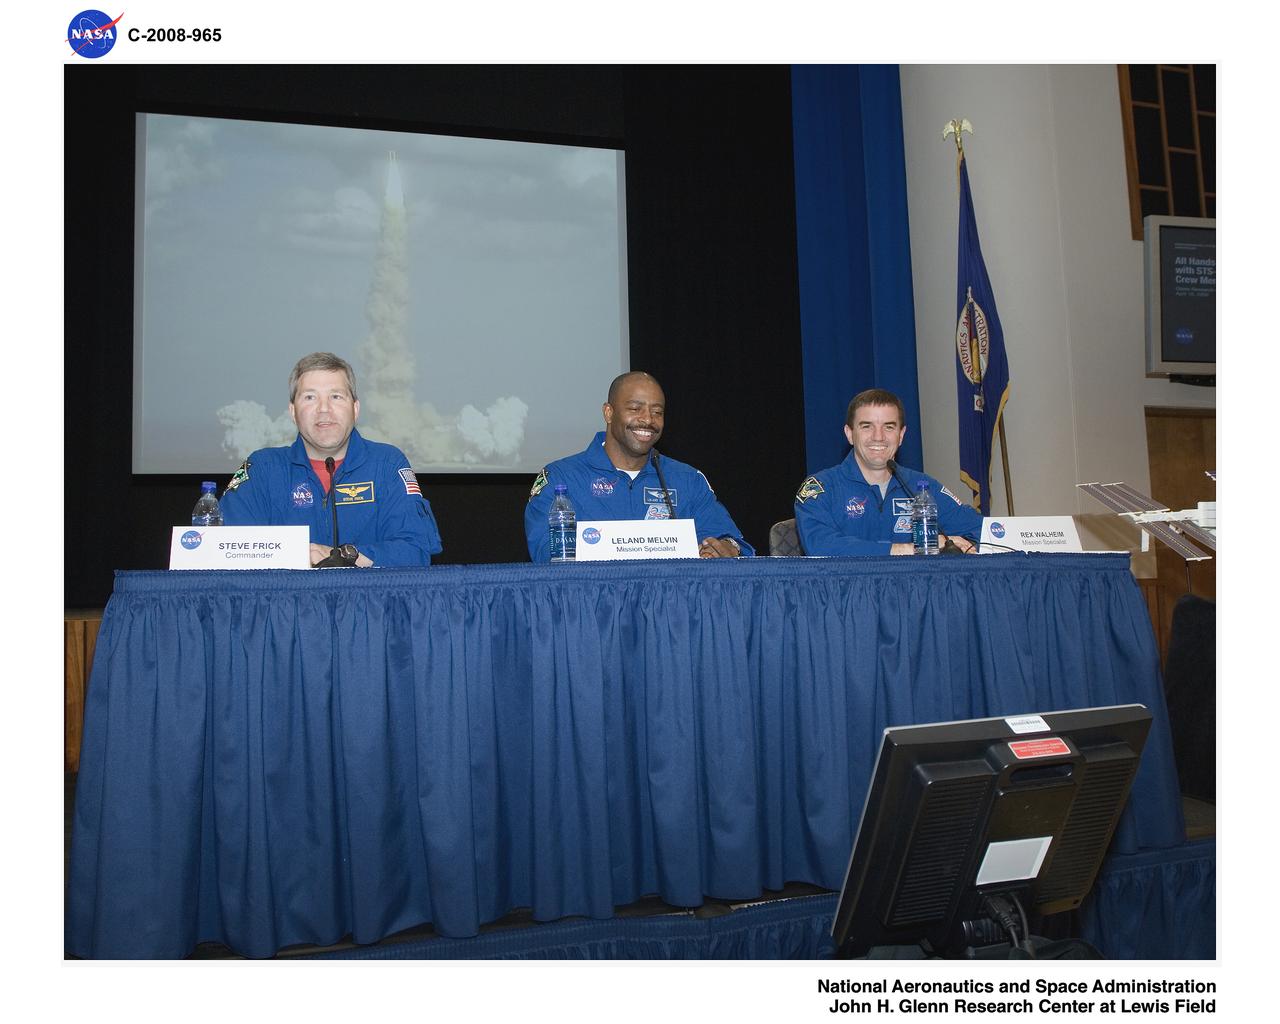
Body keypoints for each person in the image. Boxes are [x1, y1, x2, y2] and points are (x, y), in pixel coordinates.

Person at [220, 352, 443, 567]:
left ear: (355, 409)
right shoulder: (262, 469)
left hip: (368, 604)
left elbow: (416, 551)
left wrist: (346, 556)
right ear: (292, 411)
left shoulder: (387, 465)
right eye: (310, 397)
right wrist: (292, 555)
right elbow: (222, 548)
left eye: (336, 396)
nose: (324, 409)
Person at [524, 371, 754, 561]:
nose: (648, 420)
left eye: (657, 412)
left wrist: (727, 548)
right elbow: (547, 556)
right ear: (609, 412)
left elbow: (731, 541)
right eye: (635, 409)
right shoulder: (561, 478)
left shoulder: (686, 480)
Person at [795, 388, 982, 556]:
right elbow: (820, 546)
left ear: (901, 435)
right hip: (844, 593)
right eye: (867, 426)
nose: (878, 437)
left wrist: (957, 545)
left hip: (913, 593)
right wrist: (909, 549)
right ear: (849, 434)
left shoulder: (922, 487)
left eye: (889, 427)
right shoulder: (821, 489)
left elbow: (981, 530)